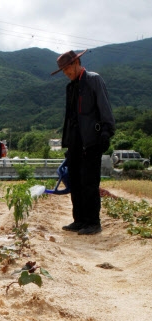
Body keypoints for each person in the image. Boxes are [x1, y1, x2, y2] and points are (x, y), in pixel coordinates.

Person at [51, 50, 115, 235]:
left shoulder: (94, 80)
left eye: (67, 68)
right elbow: (70, 117)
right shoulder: (70, 87)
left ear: (77, 62)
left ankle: (93, 222)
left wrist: (106, 131)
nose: (66, 73)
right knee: (75, 182)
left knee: (89, 182)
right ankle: (79, 220)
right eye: (63, 71)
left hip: (92, 141)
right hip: (75, 142)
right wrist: (68, 144)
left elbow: (104, 106)